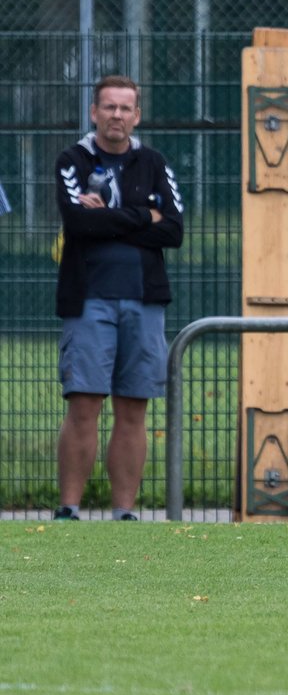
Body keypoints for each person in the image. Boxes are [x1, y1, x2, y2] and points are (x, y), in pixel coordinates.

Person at [53, 75, 185, 521]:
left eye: (125, 108)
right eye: (109, 107)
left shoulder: (155, 162)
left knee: (133, 408)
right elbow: (78, 224)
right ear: (94, 112)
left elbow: (173, 230)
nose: (117, 115)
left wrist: (109, 215)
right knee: (84, 404)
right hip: (88, 300)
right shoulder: (72, 160)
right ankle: (68, 508)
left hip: (144, 302)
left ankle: (123, 515)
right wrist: (141, 216)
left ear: (137, 116)